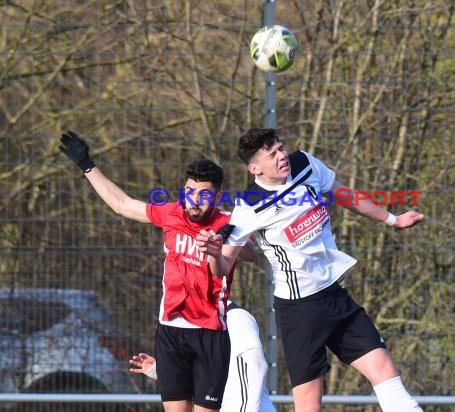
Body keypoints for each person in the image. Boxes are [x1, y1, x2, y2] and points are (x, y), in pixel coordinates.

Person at [196, 128, 424, 412]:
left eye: (281, 148)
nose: (281, 156)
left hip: (334, 295)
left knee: (385, 370)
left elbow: (345, 195)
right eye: (272, 154)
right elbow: (222, 267)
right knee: (309, 405)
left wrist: (393, 220)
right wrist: (215, 256)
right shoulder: (249, 206)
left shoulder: (304, 164)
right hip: (299, 310)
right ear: (254, 168)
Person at [58, 130, 255, 412]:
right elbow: (122, 204)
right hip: (170, 332)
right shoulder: (171, 214)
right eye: (189, 192)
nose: (194, 200)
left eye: (204, 194)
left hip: (210, 333)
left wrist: (223, 243)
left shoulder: (228, 222)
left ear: (217, 196)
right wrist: (87, 165)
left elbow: (246, 256)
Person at [129, 300, 277, 412]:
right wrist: (160, 371)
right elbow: (205, 375)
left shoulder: (235, 317)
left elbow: (257, 366)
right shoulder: (195, 327)